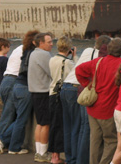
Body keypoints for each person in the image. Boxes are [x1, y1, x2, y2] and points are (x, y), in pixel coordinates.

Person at [60, 34, 111, 164]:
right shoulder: (100, 56)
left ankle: (70, 158)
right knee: (82, 126)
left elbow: (78, 66)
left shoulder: (88, 50)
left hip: (65, 87)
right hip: (76, 88)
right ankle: (80, 160)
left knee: (69, 126)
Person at [76, 37, 121, 164]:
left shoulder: (98, 61)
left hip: (93, 108)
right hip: (108, 109)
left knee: (95, 139)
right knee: (112, 141)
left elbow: (78, 70)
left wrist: (88, 84)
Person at [49, 36, 75, 164]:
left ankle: (54, 154)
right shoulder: (68, 62)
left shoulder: (52, 60)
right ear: (69, 48)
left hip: (52, 93)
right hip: (61, 95)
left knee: (54, 125)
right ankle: (56, 157)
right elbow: (75, 74)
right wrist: (74, 57)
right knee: (60, 125)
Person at [29, 32, 54, 163]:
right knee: (46, 124)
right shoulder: (44, 55)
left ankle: (39, 151)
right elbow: (52, 72)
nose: (51, 44)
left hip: (35, 92)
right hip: (44, 92)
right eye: (49, 42)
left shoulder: (33, 53)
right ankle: (43, 153)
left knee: (40, 123)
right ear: (41, 43)